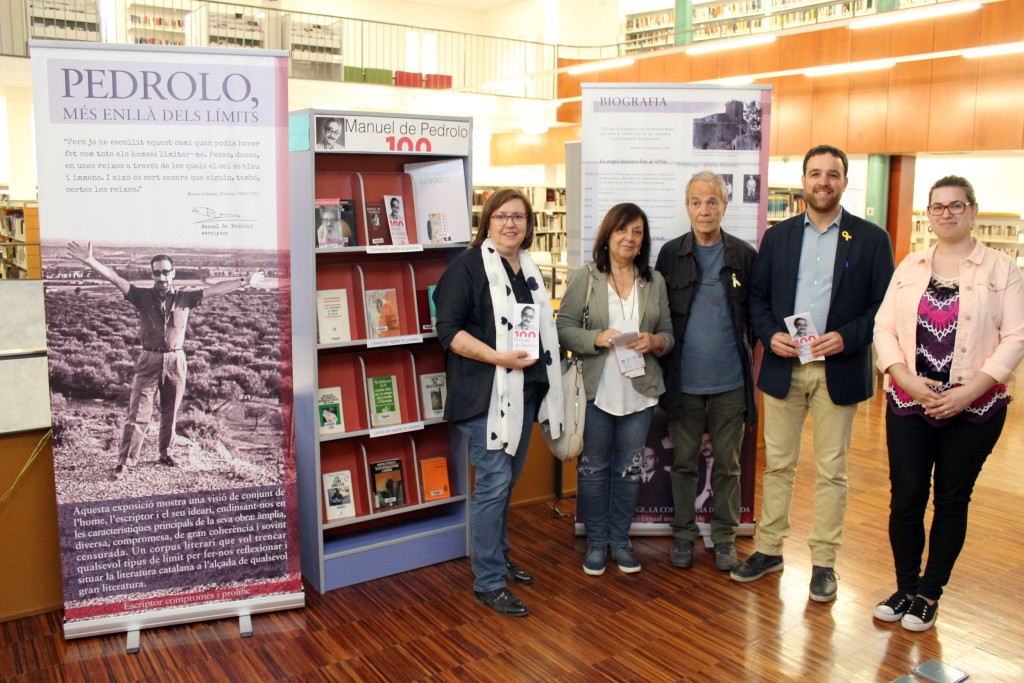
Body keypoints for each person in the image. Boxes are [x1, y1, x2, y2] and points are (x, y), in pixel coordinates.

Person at [731, 144, 895, 602]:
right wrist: (769, 335)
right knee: (778, 465)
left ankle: (824, 562)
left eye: (832, 174)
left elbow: (884, 306)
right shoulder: (778, 237)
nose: (823, 181)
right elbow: (757, 298)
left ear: (844, 182)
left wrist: (847, 337)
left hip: (838, 369)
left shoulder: (872, 239)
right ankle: (769, 550)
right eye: (816, 173)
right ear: (804, 180)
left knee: (832, 470)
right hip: (785, 368)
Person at [872, 175, 1024, 631]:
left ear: (973, 211)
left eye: (956, 205)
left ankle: (928, 594)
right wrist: (904, 379)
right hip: (909, 402)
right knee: (906, 499)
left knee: (952, 500)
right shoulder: (911, 265)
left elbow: (1016, 337)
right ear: (929, 215)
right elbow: (884, 327)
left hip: (975, 407)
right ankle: (905, 588)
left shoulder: (1002, 269)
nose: (947, 214)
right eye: (937, 207)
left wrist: (967, 393)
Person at [433, 188, 563, 617]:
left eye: (519, 217)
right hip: (484, 397)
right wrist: (497, 357)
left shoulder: (529, 268)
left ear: (529, 225)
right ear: (487, 222)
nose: (511, 223)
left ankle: (500, 558)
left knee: (507, 483)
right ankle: (488, 581)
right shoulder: (467, 268)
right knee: (493, 485)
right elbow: (449, 333)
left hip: (523, 393)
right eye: (502, 216)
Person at [66, 242, 265, 479]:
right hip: (148, 360)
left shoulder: (184, 298)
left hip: (176, 360)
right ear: (153, 275)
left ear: (173, 273)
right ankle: (126, 461)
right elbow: (115, 278)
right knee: (138, 413)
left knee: (170, 412)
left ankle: (166, 453)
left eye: (165, 272)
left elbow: (214, 290)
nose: (161, 277)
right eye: (157, 272)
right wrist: (90, 261)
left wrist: (244, 282)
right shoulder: (141, 296)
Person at [557, 202, 673, 576]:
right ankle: (597, 544)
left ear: (644, 241)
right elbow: (564, 328)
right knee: (593, 469)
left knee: (630, 470)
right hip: (595, 392)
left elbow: (668, 334)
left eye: (637, 232)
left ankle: (619, 541)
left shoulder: (654, 281)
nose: (629, 238)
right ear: (607, 236)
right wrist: (596, 338)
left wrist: (655, 341)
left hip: (639, 393)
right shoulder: (586, 278)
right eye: (622, 230)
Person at [654, 170, 757, 572]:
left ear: (724, 206)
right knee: (683, 461)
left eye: (712, 201)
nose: (704, 210)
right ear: (687, 207)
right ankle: (683, 534)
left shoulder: (743, 256)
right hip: (684, 380)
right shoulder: (670, 255)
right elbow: (659, 314)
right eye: (696, 202)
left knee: (729, 464)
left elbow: (754, 318)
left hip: (731, 381)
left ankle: (724, 537)